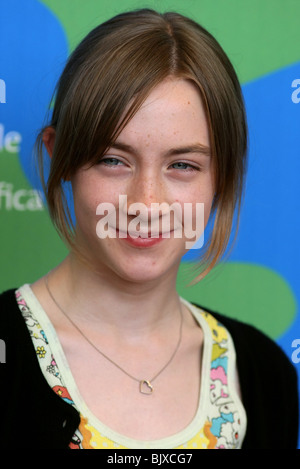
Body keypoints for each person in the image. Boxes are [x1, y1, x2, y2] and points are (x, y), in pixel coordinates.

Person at [0, 9, 298, 450]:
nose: (146, 203)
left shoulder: (263, 373)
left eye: (182, 165)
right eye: (113, 160)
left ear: (223, 177)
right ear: (59, 154)